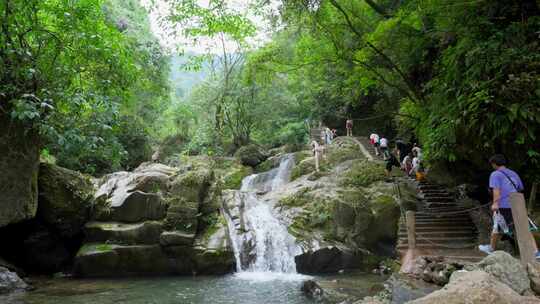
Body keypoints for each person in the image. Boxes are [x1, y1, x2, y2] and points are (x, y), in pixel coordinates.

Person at [478, 154, 540, 259]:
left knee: (497, 226)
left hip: (504, 205)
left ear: (494, 164)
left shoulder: (495, 174)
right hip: (517, 204)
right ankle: (536, 252)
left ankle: (491, 248)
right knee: (525, 228)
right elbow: (520, 188)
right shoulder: (514, 173)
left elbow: (496, 189)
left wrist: (495, 203)